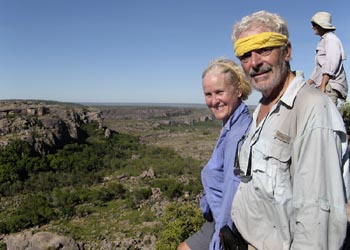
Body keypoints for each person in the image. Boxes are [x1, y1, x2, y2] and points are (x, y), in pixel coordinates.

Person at [230, 10, 350, 249]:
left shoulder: (312, 109)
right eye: (244, 55)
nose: (254, 62)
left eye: (264, 49)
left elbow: (317, 225)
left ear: (287, 52)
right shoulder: (263, 108)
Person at [177, 58, 252, 250]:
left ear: (238, 90)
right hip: (216, 220)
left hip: (225, 226)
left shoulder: (237, 134)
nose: (213, 100)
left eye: (219, 92)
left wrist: (219, 243)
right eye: (208, 94)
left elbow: (231, 193)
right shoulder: (231, 126)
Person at [307, 11, 348, 106]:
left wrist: (322, 86)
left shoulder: (331, 39)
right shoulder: (324, 40)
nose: (311, 27)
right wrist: (306, 86)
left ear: (320, 24)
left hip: (329, 86)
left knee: (328, 118)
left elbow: (331, 64)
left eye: (313, 24)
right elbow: (318, 70)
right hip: (325, 85)